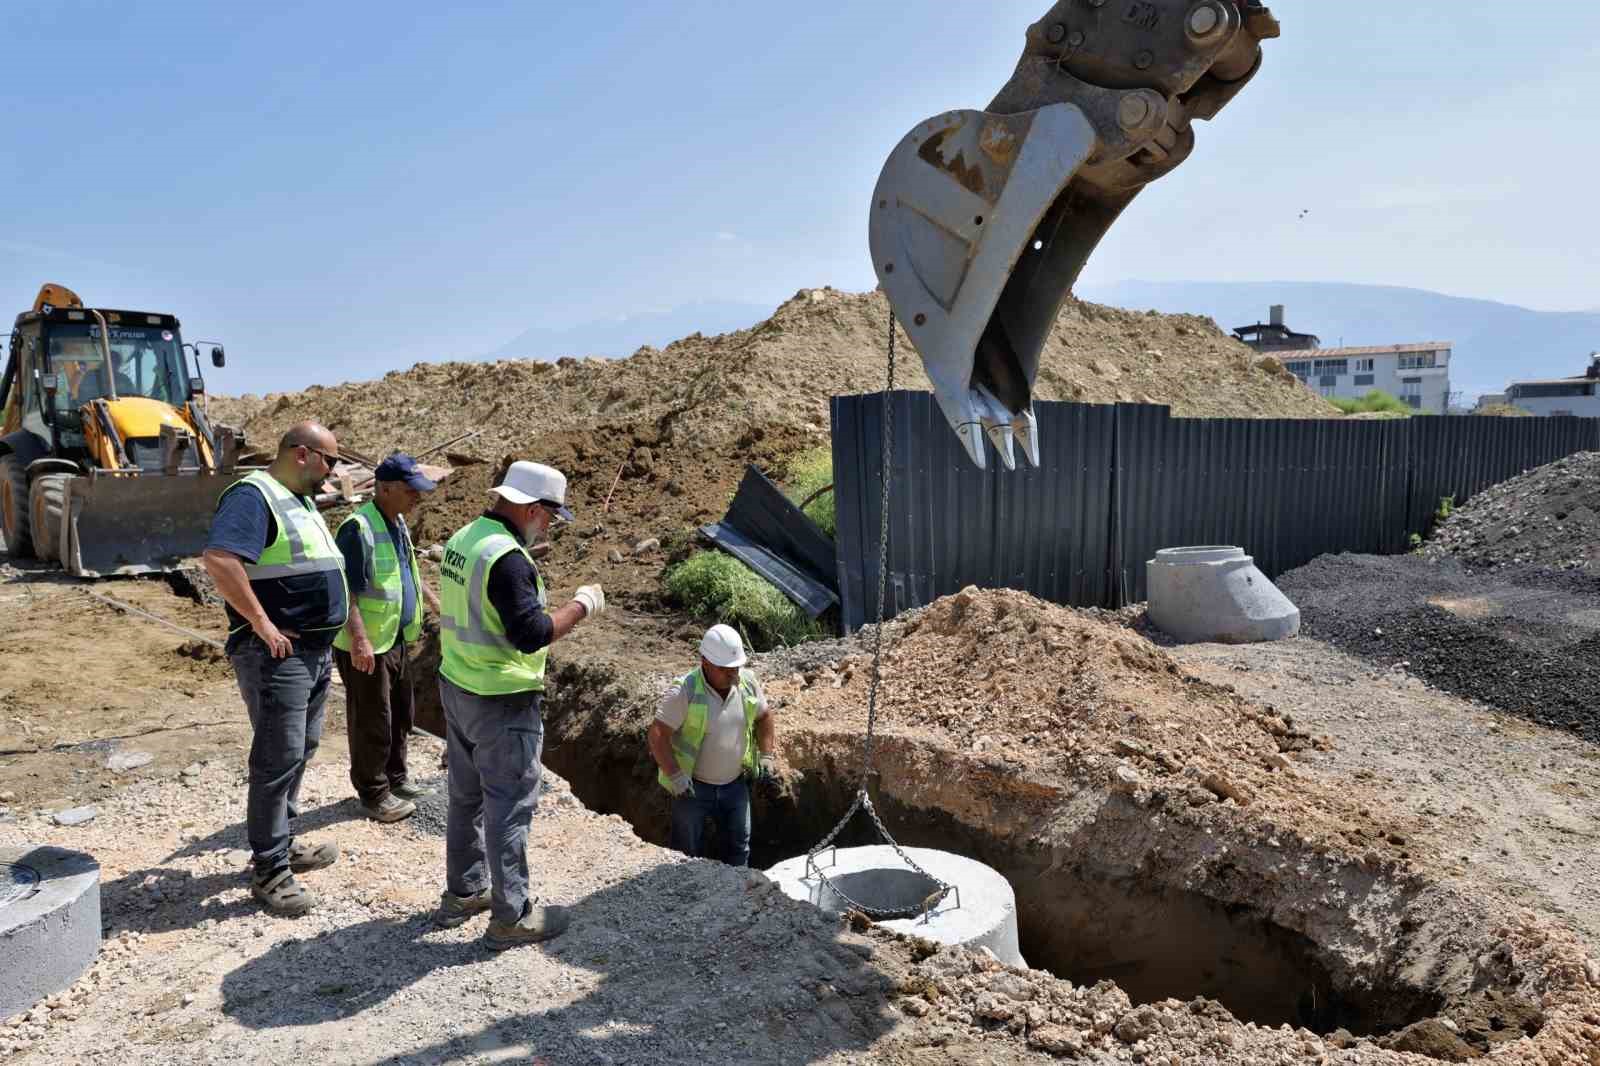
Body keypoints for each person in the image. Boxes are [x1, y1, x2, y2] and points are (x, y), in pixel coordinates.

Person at [433, 460, 605, 950]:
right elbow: (531, 634)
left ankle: (465, 892)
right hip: (500, 699)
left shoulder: (466, 537)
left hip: (458, 684)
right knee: (509, 806)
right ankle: (511, 917)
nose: (549, 525)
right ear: (530, 509)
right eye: (549, 515)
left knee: (466, 797)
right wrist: (582, 606)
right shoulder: (508, 560)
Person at [202, 421, 348, 916]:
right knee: (276, 758)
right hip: (277, 655)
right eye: (329, 460)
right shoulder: (253, 495)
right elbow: (221, 559)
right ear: (303, 454)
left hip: (312, 651)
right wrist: (263, 625)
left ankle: (282, 844)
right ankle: (269, 869)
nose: (334, 471)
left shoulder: (298, 500)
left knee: (299, 750)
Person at [333, 453, 440, 824]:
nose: (418, 498)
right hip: (367, 645)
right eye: (412, 491)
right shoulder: (358, 529)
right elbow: (346, 590)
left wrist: (434, 604)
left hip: (393, 638)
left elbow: (406, 570)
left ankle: (396, 778)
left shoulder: (396, 523)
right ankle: (374, 793)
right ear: (386, 488)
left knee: (400, 713)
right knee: (372, 720)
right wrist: (359, 639)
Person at [648, 625, 779, 868]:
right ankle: (687, 896)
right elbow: (657, 735)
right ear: (705, 661)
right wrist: (675, 776)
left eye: (736, 668)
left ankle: (738, 894)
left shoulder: (747, 683)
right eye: (725, 669)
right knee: (686, 853)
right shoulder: (685, 690)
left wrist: (767, 756)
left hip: (735, 785)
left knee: (739, 848)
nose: (733, 675)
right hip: (693, 789)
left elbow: (765, 717)